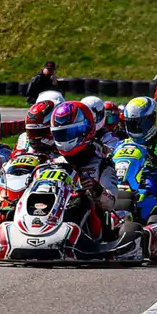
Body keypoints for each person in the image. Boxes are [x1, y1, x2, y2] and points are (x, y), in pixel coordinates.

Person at [46, 99, 122, 239]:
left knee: (81, 201)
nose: (65, 139)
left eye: (69, 134)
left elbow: (111, 203)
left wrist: (96, 189)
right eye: (61, 134)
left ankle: (66, 238)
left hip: (90, 230)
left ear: (85, 129)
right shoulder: (55, 163)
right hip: (52, 217)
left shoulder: (102, 165)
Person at [14, 90, 63, 155]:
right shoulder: (24, 138)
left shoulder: (64, 139)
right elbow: (14, 156)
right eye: (32, 132)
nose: (36, 140)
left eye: (40, 132)